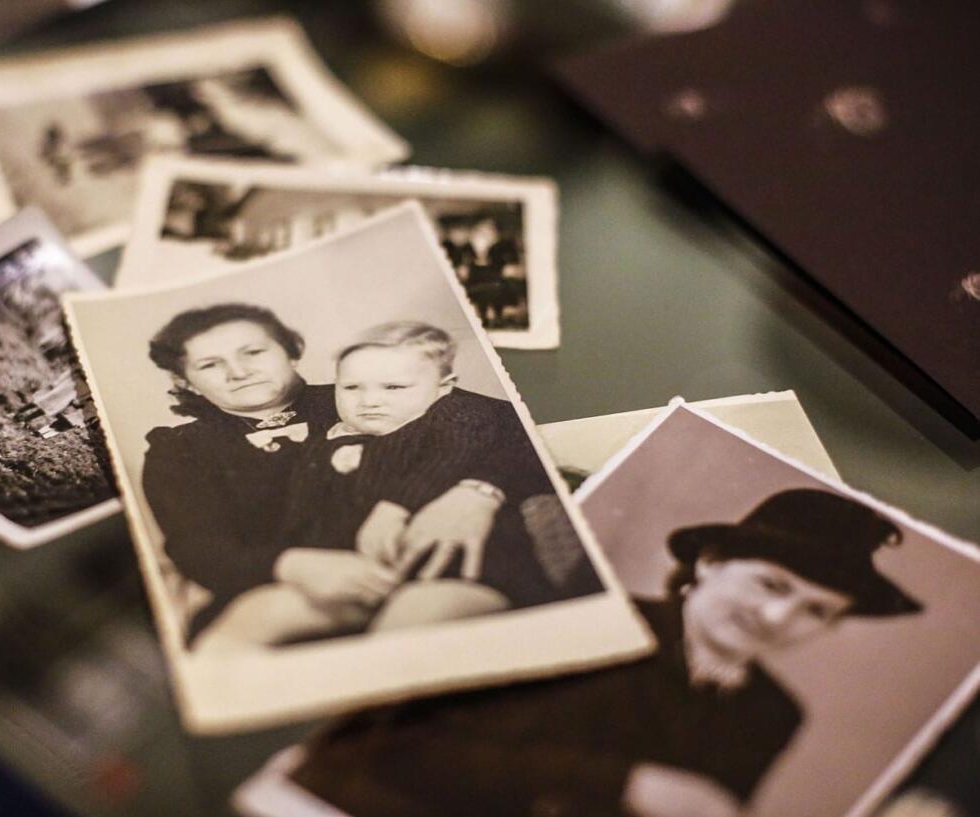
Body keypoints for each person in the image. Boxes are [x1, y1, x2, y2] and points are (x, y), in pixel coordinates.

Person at [289, 488, 922, 817]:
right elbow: (396, 749)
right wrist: (630, 784)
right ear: (710, 564)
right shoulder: (589, 621)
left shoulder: (773, 714)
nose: (781, 618)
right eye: (771, 584)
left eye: (817, 610)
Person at [140, 304, 536, 649]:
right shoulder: (178, 449)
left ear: (291, 352)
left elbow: (506, 426)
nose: (239, 371)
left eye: (254, 351)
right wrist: (291, 565)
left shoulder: (363, 390)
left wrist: (479, 491)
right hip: (287, 594)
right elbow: (196, 546)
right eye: (210, 365)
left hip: (427, 570)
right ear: (186, 382)